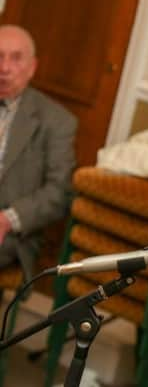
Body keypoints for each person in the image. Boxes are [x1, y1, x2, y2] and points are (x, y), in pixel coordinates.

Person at [0, 24, 77, 282]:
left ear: (32, 67)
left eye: (16, 58)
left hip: (9, 232)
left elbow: (59, 192)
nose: (5, 68)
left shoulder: (57, 122)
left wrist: (7, 220)